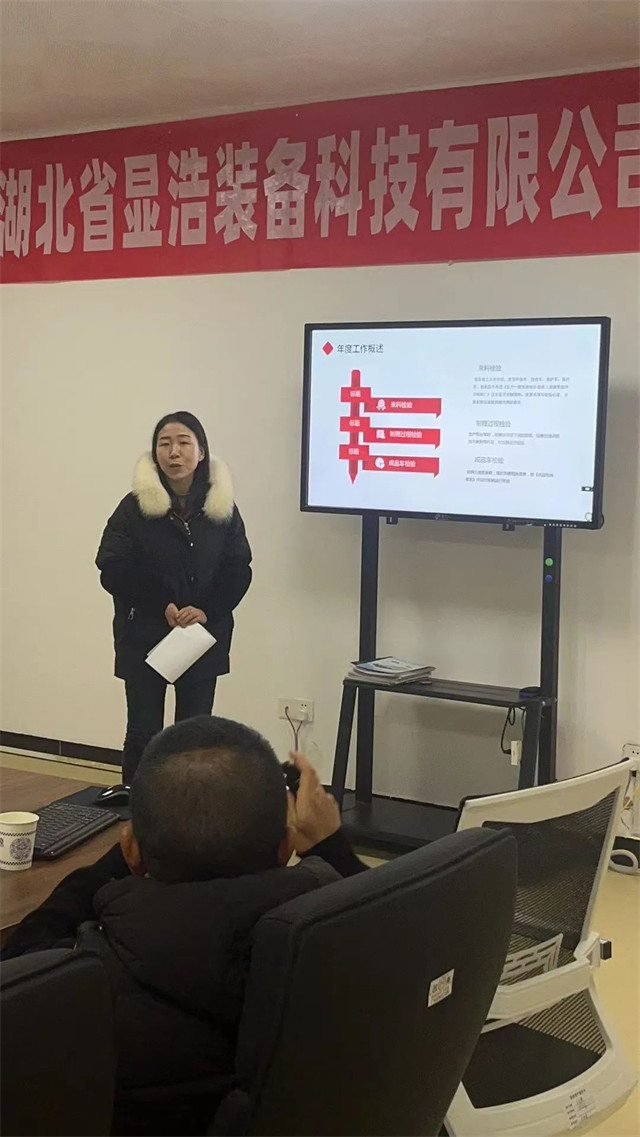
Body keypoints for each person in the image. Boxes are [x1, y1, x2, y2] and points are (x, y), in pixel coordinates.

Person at [2, 718, 365, 1136]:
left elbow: (21, 955)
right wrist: (331, 846)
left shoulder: (69, 993)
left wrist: (121, 857)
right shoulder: (340, 961)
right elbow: (391, 916)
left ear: (132, 850)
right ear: (286, 848)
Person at [96, 412, 252, 785]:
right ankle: (137, 808)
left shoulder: (221, 507)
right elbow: (111, 566)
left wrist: (208, 609)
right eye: (164, 444)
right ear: (155, 453)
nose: (174, 452)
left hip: (201, 636)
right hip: (143, 635)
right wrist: (159, 603)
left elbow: (238, 568)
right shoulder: (133, 507)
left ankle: (189, 811)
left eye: (184, 442)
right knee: (143, 733)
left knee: (194, 738)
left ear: (201, 452)